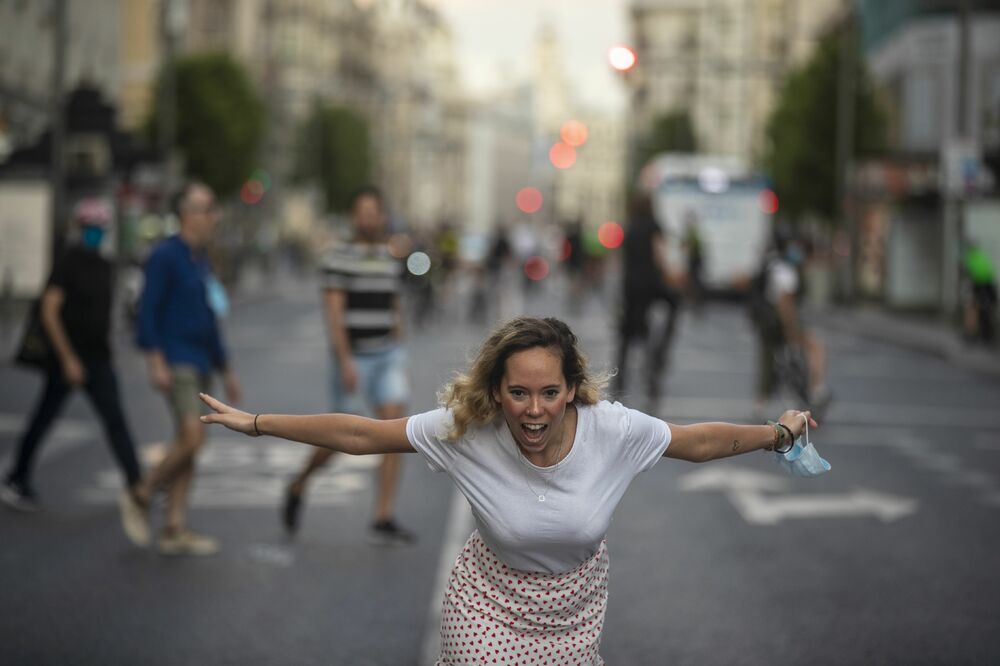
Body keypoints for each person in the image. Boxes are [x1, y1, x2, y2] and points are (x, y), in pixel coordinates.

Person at [199, 315, 816, 663]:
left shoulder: (614, 429)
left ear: (572, 389)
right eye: (518, 392)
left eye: (550, 392)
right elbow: (362, 435)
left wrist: (777, 435)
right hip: (486, 602)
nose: (534, 410)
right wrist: (255, 424)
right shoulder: (467, 430)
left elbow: (699, 442)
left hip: (575, 607)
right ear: (497, 391)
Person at [282, 185, 415, 545]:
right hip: (354, 357)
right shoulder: (337, 256)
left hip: (387, 354)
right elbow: (334, 314)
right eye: (363, 212)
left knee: (395, 433)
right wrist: (344, 361)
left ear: (381, 216)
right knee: (339, 438)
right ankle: (299, 483)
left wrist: (398, 338)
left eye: (375, 211)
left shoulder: (390, 256)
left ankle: (383, 514)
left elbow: (393, 302)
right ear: (354, 216)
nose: (369, 218)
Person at [117, 182, 242, 556]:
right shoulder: (165, 256)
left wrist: (227, 369)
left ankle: (174, 528)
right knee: (192, 438)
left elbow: (209, 317)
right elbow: (147, 312)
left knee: (190, 444)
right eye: (208, 209)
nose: (214, 216)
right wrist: (155, 362)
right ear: (188, 214)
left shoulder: (200, 258)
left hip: (202, 361)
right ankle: (141, 493)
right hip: (177, 360)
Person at [1, 199, 144, 512]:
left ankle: (137, 483)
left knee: (115, 419)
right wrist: (67, 358)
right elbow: (49, 312)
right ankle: (16, 478)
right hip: (67, 360)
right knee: (44, 418)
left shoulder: (105, 265)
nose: (95, 234)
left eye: (99, 229)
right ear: (80, 229)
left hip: (99, 358)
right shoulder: (68, 262)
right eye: (90, 228)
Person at [752, 231, 830, 420]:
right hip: (779, 323)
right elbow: (785, 305)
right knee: (813, 346)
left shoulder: (772, 264)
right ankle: (816, 390)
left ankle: (761, 404)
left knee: (768, 360)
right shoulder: (787, 271)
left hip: (765, 322)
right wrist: (792, 332)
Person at [613, 192, 681, 406]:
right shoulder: (653, 225)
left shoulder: (629, 227)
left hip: (630, 286)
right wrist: (668, 274)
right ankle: (656, 363)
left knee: (627, 334)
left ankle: (620, 379)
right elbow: (659, 254)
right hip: (650, 283)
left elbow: (622, 260)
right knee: (673, 304)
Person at [960, 239, 997, 345]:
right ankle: (986, 335)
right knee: (986, 310)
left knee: (975, 309)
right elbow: (989, 271)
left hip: (981, 286)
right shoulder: (981, 255)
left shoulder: (970, 258)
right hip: (988, 285)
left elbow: (970, 273)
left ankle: (973, 334)